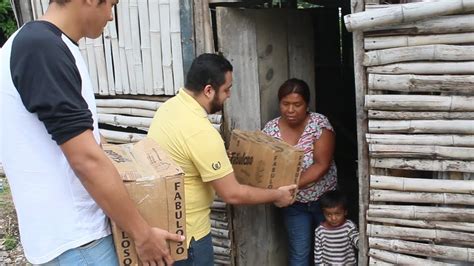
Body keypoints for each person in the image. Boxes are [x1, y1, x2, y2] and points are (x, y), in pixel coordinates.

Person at [0, 0, 184, 265]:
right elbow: (86, 159)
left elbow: (89, 139)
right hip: (78, 242)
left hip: (74, 239)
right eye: (111, 4)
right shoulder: (41, 48)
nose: (111, 16)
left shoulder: (47, 44)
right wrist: (142, 234)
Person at [147, 53, 297, 266]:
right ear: (209, 90)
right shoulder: (200, 131)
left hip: (166, 227)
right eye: (227, 89)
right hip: (190, 238)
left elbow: (183, 158)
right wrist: (277, 195)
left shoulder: (170, 108)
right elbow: (231, 194)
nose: (228, 96)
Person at [262, 78, 337, 266]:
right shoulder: (271, 129)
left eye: (297, 104)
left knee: (330, 252)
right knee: (299, 254)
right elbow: (262, 162)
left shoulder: (319, 124)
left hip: (325, 200)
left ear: (307, 105)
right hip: (293, 204)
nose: (290, 110)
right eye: (285, 104)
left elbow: (322, 165)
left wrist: (290, 186)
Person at [314, 190, 359, 265]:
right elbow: (318, 254)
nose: (333, 218)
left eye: (337, 214)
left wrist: (362, 243)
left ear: (345, 212)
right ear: (323, 213)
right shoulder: (320, 231)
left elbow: (356, 238)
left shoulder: (349, 226)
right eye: (328, 214)